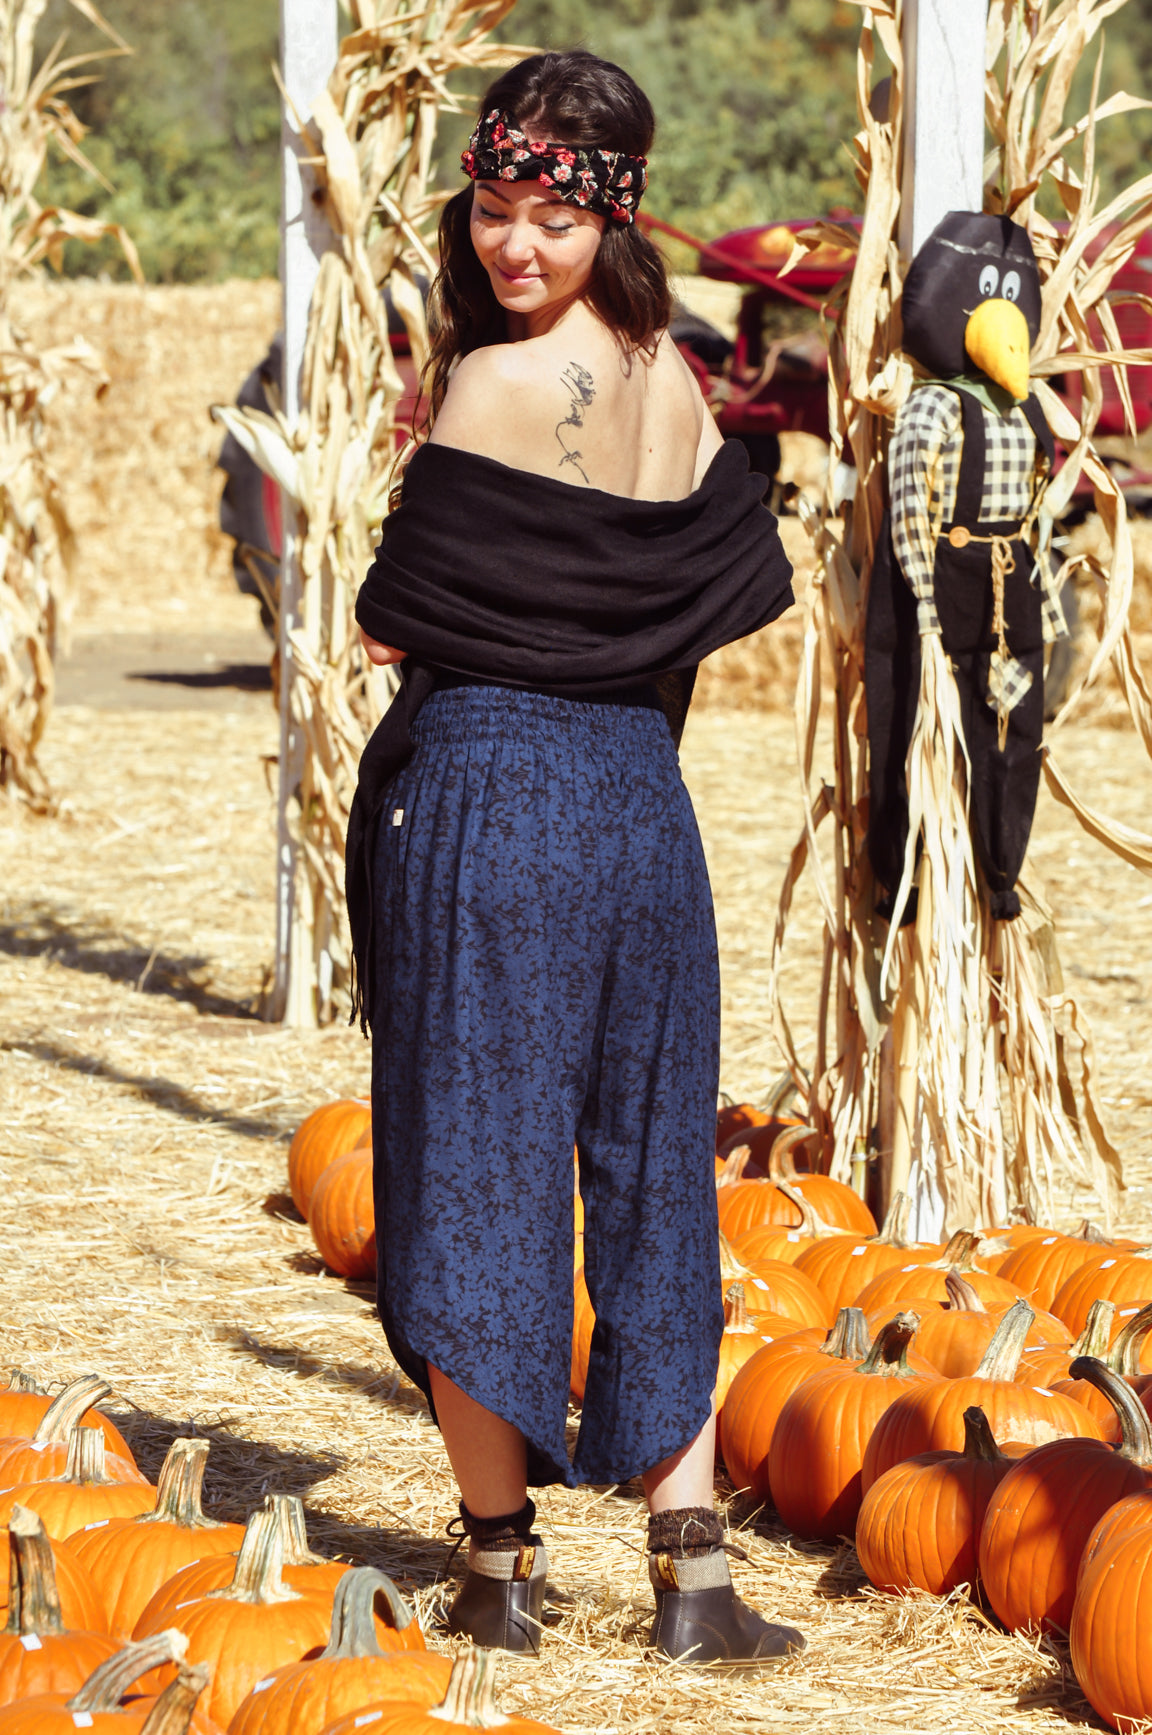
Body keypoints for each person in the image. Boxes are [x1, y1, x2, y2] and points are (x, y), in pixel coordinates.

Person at [348, 49, 801, 1666]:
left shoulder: (490, 385)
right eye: (493, 210)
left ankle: (495, 1571)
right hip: (640, 813)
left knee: (472, 1166)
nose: (510, 249)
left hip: (490, 792)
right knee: (650, 1170)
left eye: (547, 217)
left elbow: (399, 612)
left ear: (606, 216)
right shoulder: (681, 384)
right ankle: (694, 1584)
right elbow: (718, 602)